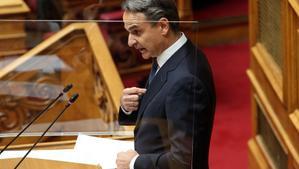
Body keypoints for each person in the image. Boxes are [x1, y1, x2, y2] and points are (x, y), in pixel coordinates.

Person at [116, 0, 216, 168]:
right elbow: (163, 105)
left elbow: (184, 161)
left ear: (163, 26)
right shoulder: (168, 54)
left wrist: (134, 162)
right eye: (128, 32)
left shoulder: (186, 81)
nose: (130, 42)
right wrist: (129, 107)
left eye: (136, 32)